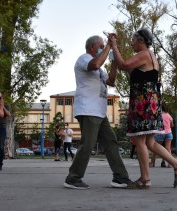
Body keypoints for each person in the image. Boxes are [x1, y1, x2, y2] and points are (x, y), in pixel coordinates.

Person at [110, 28, 177, 189]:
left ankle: (145, 179)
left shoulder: (145, 54)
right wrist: (115, 56)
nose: (131, 43)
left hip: (142, 103)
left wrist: (114, 46)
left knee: (140, 141)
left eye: (133, 40)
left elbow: (124, 64)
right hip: (150, 102)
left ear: (141, 41)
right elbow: (130, 68)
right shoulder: (150, 56)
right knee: (150, 142)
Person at [63, 34, 131, 190]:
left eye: (103, 46)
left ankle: (120, 177)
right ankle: (73, 178)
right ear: (92, 47)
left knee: (111, 142)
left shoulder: (100, 69)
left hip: (99, 111)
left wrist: (113, 60)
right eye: (100, 46)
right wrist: (109, 45)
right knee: (88, 144)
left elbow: (111, 81)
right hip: (88, 109)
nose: (102, 48)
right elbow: (94, 64)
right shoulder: (84, 59)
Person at [149, 104, 174, 168]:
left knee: (155, 148)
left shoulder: (158, 115)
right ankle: (170, 164)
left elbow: (155, 124)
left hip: (160, 133)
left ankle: (152, 163)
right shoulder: (169, 115)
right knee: (168, 149)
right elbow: (172, 125)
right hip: (168, 133)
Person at [0, 91, 11, 171]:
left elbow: (8, 115)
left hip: (2, 126)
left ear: (1, 97)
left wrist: (2, 106)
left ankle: (0, 164)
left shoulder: (6, 105)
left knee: (1, 146)